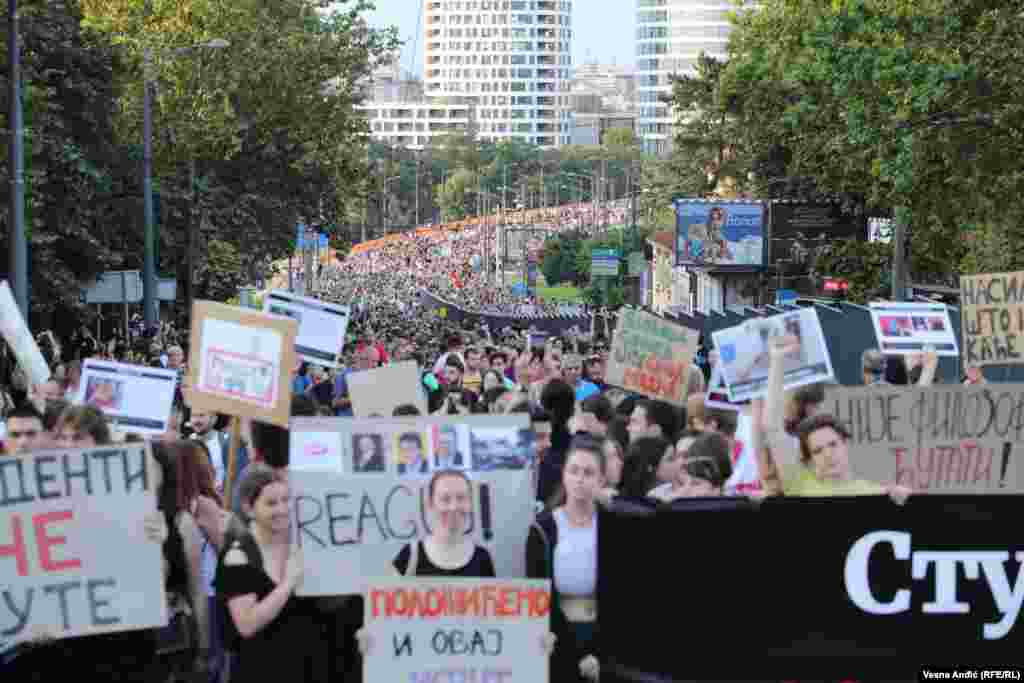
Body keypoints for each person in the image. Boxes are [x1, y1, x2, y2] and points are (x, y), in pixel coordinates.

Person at [214, 465, 322, 681]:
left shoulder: (303, 544)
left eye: (286, 500)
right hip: (261, 672)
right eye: (271, 503)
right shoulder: (238, 556)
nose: (282, 509)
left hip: (307, 669)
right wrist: (287, 584)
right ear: (248, 508)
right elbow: (246, 624)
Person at [526, 435, 604, 682]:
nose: (580, 479)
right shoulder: (542, 529)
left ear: (601, 479)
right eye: (574, 471)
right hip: (556, 649)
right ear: (564, 475)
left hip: (601, 652)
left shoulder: (614, 525)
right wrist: (577, 654)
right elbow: (539, 596)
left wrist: (597, 653)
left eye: (588, 472)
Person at [391, 469, 495, 576]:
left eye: (461, 498)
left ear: (470, 503)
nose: (454, 507)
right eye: (445, 499)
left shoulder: (483, 558)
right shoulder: (409, 556)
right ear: (430, 504)